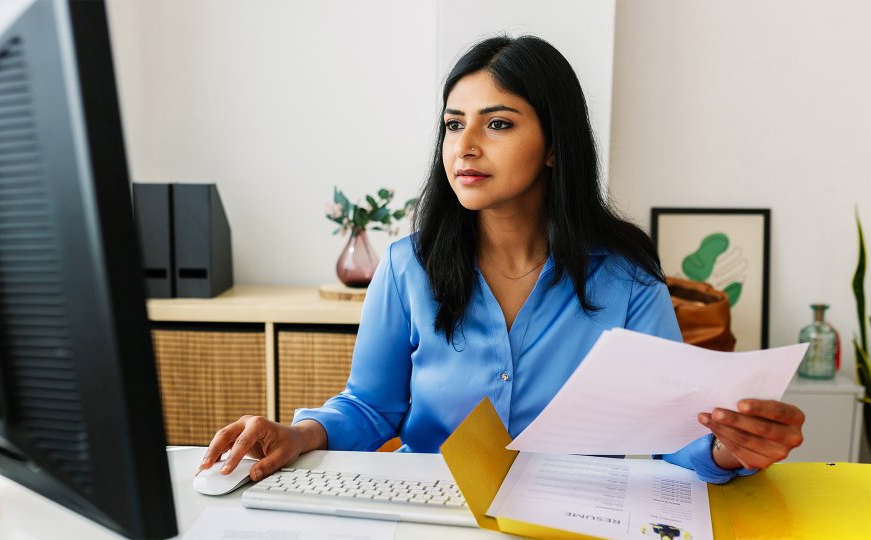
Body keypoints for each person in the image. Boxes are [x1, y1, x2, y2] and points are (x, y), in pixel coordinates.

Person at [198, 35, 804, 485]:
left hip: (573, 516)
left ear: (552, 148)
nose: (465, 145)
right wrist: (300, 432)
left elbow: (676, 440)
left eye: (498, 123)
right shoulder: (408, 267)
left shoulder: (626, 281)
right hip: (431, 510)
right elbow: (371, 406)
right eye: (453, 124)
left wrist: (731, 448)